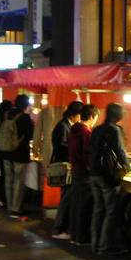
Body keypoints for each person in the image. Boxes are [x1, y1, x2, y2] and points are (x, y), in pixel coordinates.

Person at [89, 103, 131, 254]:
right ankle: (105, 246)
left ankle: (95, 244)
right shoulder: (114, 129)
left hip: (93, 174)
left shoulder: (97, 129)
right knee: (111, 211)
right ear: (117, 115)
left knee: (98, 210)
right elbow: (119, 150)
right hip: (107, 175)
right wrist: (127, 166)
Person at [67, 104, 100, 244]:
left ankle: (74, 235)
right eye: (96, 118)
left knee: (76, 203)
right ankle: (81, 237)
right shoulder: (86, 133)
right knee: (84, 205)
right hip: (84, 172)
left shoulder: (73, 129)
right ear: (92, 116)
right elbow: (87, 154)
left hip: (75, 169)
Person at [51, 101, 84, 240]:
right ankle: (59, 229)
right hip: (64, 165)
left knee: (66, 197)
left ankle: (62, 227)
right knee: (65, 197)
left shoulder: (66, 125)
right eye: (79, 116)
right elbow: (61, 146)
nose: (80, 119)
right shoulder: (63, 126)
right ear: (75, 115)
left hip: (67, 165)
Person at [1, 95, 34, 218]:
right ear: (26, 105)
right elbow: (30, 135)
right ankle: (16, 209)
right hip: (19, 153)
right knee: (18, 181)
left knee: (8, 179)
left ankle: (9, 206)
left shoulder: (8, 115)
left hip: (6, 152)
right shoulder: (25, 118)